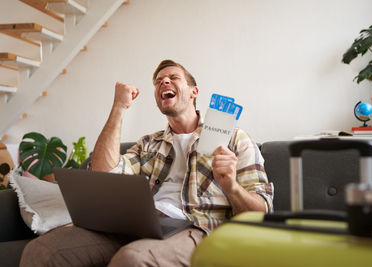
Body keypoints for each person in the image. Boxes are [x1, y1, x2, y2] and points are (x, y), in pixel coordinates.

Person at [20, 59, 274, 267]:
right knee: (43, 251)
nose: (164, 81)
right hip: (139, 224)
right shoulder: (148, 144)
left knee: (132, 260)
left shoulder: (234, 138)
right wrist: (119, 107)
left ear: (194, 92)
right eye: (158, 81)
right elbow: (103, 173)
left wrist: (231, 186)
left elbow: (260, 214)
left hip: (199, 227)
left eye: (173, 77)